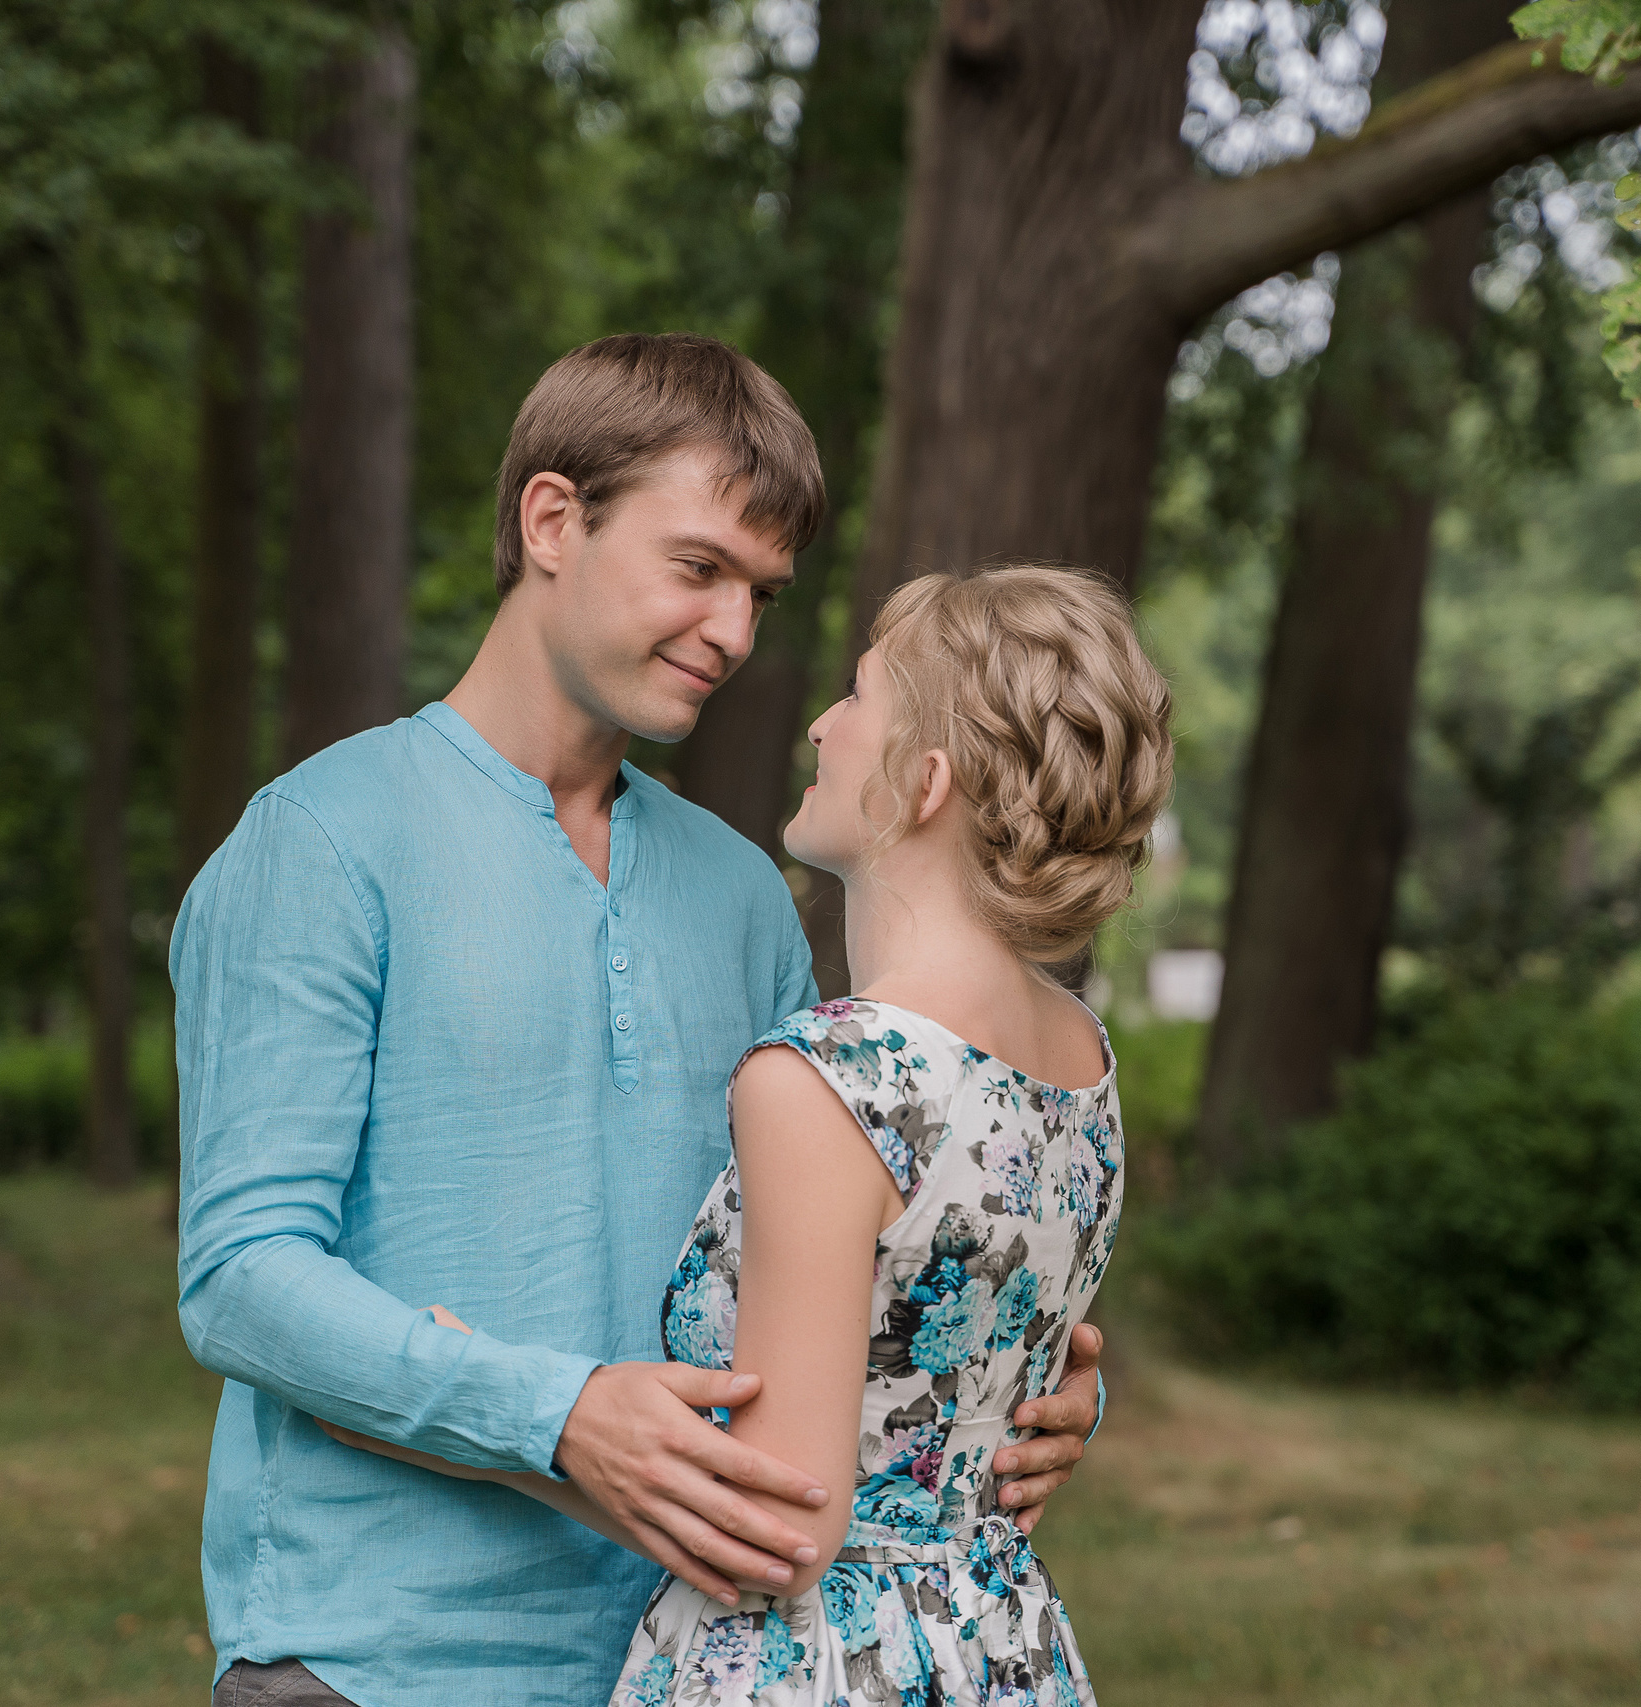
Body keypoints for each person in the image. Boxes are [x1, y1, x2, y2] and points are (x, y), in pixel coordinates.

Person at [172, 334, 1102, 1707]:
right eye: (697, 566)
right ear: (554, 520)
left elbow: (858, 1226)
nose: (733, 630)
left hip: (688, 1655)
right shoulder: (319, 839)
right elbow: (241, 1275)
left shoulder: (740, 886)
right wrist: (556, 1416)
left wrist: (1036, 1389)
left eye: (762, 592)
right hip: (373, 1656)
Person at [331, 564, 1174, 1705]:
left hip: (820, 1669)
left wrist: (461, 1431)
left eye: (859, 698)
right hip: (1001, 1649)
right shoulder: (1081, 1053)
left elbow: (777, 1527)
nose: (822, 724)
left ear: (923, 783)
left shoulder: (827, 1078)